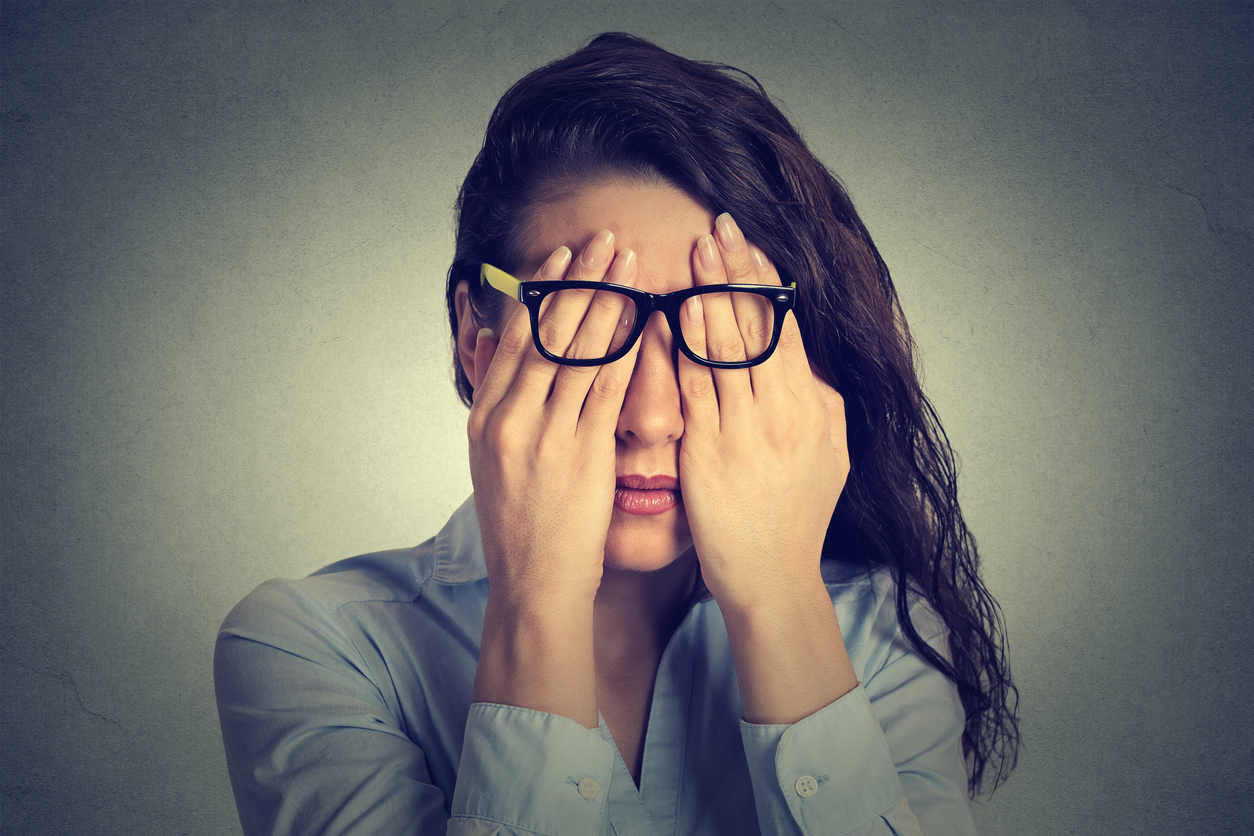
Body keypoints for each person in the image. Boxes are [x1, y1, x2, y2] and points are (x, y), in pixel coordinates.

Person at [214, 32, 1018, 835]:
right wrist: (537, 602)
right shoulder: (315, 647)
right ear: (475, 335)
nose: (653, 416)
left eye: (721, 329)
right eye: (589, 321)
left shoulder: (881, 634)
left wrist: (779, 597)